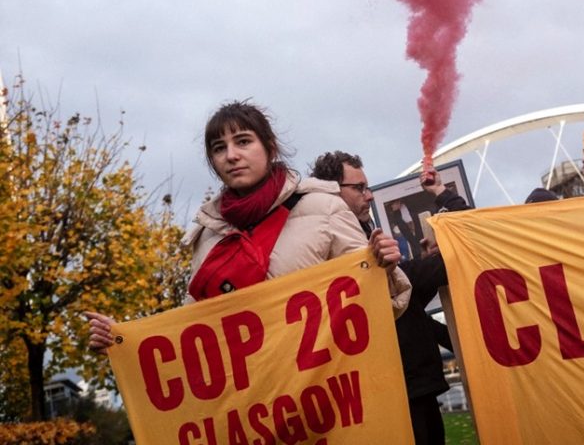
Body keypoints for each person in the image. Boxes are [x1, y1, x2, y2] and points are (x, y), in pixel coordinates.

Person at [87, 101, 410, 351]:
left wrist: (384, 267)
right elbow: (195, 326)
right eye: (218, 148)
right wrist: (124, 339)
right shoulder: (209, 234)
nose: (231, 155)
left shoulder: (322, 206)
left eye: (243, 141)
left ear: (269, 147)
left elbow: (379, 305)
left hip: (326, 393)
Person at [310, 151, 470, 445]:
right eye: (359, 188)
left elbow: (410, 306)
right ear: (332, 193)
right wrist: (443, 195)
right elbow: (462, 248)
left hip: (407, 388)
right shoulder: (356, 255)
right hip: (401, 392)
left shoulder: (354, 241)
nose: (369, 196)